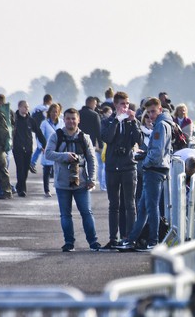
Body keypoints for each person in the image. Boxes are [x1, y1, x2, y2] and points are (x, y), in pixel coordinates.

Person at [119, 97, 172, 252]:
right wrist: (145, 154)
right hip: (157, 168)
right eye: (148, 112)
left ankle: (153, 241)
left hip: (154, 169)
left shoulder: (161, 125)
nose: (150, 115)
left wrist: (146, 161)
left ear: (160, 110)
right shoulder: (163, 123)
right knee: (143, 207)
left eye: (153, 111)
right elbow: (156, 150)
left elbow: (157, 153)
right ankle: (132, 239)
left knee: (151, 207)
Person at [44, 108, 100, 252]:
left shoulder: (84, 137)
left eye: (73, 118)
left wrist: (92, 178)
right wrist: (65, 156)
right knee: (65, 215)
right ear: (64, 119)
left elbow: (92, 159)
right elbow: (48, 154)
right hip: (62, 183)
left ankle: (93, 242)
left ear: (78, 120)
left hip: (81, 182)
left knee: (87, 213)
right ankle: (69, 242)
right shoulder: (56, 136)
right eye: (68, 118)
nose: (71, 121)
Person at [100, 91, 142, 250]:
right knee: (114, 205)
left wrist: (132, 122)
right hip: (112, 167)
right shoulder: (107, 121)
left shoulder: (132, 121)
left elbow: (139, 140)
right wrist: (116, 121)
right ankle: (113, 238)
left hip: (129, 166)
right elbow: (107, 138)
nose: (126, 107)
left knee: (130, 204)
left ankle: (130, 238)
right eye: (122, 104)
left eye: (127, 104)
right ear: (115, 105)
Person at [12, 100, 47, 197]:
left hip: (28, 148)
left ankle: (19, 186)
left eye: (27, 107)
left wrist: (45, 145)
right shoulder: (14, 119)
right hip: (17, 148)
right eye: (24, 107)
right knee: (20, 169)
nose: (27, 109)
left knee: (25, 169)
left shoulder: (31, 120)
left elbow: (39, 133)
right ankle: (22, 190)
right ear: (19, 107)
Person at [40, 103, 63, 197]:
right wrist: (41, 146)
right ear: (49, 112)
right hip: (48, 148)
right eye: (53, 112)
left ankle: (59, 188)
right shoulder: (44, 123)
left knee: (59, 170)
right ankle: (46, 190)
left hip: (59, 149)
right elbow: (40, 136)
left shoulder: (62, 122)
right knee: (47, 170)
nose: (54, 114)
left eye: (56, 112)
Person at [30, 93, 53, 173]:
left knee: (40, 147)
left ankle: (33, 162)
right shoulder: (47, 109)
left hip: (36, 129)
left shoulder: (36, 108)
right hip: (45, 130)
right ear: (50, 101)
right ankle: (47, 166)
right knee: (47, 147)